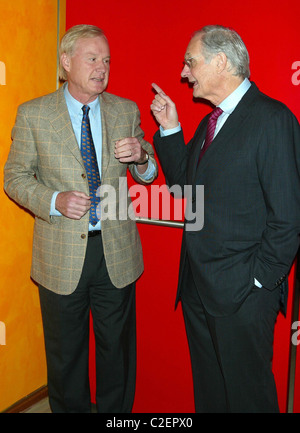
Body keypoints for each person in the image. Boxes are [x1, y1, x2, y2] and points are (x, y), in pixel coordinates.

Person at [4, 24, 158, 413]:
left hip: (116, 254)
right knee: (65, 358)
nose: (101, 68)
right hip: (60, 255)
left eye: (106, 60)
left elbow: (150, 171)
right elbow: (14, 177)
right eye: (92, 59)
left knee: (117, 357)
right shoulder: (34, 114)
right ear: (66, 62)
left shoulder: (125, 110)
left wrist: (141, 155)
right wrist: (54, 200)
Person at [151, 25, 300, 412]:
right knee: (212, 395)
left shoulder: (272, 119)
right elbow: (184, 188)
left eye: (190, 62)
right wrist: (170, 128)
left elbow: (288, 217)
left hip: (242, 294)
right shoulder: (210, 122)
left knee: (248, 398)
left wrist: (257, 281)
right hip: (198, 288)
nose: (184, 73)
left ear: (220, 62)